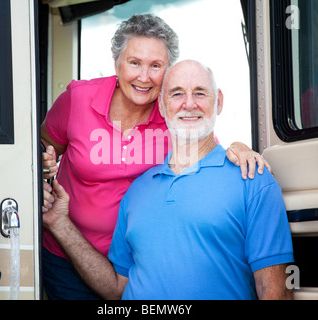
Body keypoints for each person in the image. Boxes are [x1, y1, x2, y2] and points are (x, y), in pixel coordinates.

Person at [41, 14, 270, 300]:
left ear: (167, 71)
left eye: (156, 66)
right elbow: (42, 148)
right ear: (117, 64)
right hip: (66, 252)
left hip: (136, 261)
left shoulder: (172, 113)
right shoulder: (76, 100)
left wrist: (241, 147)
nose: (144, 76)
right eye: (134, 62)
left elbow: (210, 148)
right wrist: (45, 166)